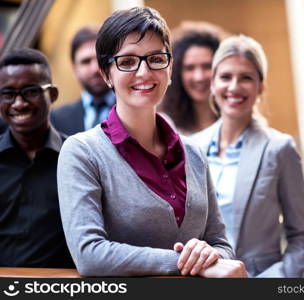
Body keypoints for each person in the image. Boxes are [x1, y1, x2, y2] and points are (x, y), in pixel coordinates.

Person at [57, 7, 246, 278]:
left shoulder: (193, 152)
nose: (144, 72)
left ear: (170, 67)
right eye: (128, 61)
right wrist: (183, 261)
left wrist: (209, 255)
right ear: (106, 73)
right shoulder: (82, 152)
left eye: (156, 59)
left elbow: (221, 246)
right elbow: (89, 255)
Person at [192, 35, 304, 277]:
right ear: (213, 84)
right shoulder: (192, 147)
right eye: (225, 77)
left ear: (261, 86)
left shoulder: (279, 149)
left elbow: (301, 236)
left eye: (246, 77)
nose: (234, 87)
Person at [0, 48, 73, 268]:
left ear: (52, 95)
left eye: (31, 91)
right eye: (8, 94)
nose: (19, 103)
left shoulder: (77, 159)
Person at [159, 21, 226, 135]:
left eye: (207, 66)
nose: (199, 77)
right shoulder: (165, 126)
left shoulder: (237, 121)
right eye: (189, 68)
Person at [51, 26, 115, 136]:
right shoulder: (56, 119)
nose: (95, 68)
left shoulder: (134, 111)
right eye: (86, 61)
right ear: (74, 70)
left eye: (100, 59)